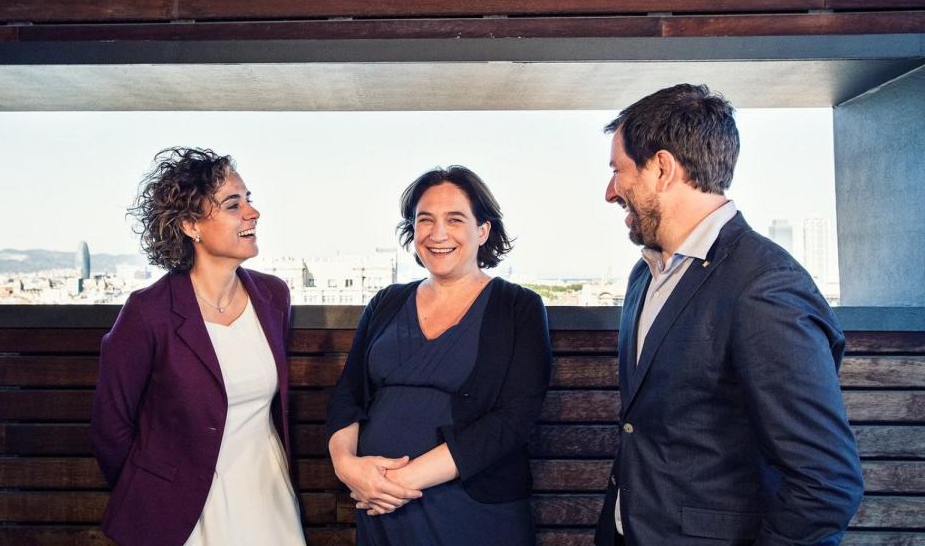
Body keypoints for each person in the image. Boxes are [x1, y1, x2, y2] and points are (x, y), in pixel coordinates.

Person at [595, 84, 863, 545]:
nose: (610, 191)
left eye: (619, 171)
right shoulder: (646, 275)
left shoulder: (765, 285)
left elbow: (825, 483)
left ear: (662, 168)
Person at [326, 166, 552, 545]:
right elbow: (349, 396)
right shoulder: (386, 302)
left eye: (455, 219)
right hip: (381, 509)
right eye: (425, 220)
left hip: (471, 508)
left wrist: (398, 482)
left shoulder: (519, 307)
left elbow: (515, 419)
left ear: (483, 231)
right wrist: (347, 467)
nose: (438, 233)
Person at [90, 148, 305, 546]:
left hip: (267, 497)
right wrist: (155, 494)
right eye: (232, 204)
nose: (252, 212)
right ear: (191, 225)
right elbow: (110, 429)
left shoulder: (273, 296)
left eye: (249, 199)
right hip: (181, 512)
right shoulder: (148, 312)